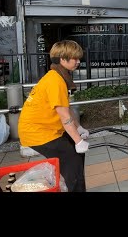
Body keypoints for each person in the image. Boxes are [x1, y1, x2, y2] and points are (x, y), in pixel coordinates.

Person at [18, 40, 89, 192]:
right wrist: (78, 140)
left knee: (75, 154)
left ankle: (72, 185)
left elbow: (66, 108)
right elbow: (64, 116)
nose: (78, 61)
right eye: (74, 58)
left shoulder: (57, 75)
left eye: (78, 58)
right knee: (72, 160)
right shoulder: (55, 81)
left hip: (45, 129)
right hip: (38, 133)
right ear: (62, 59)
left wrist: (79, 127)